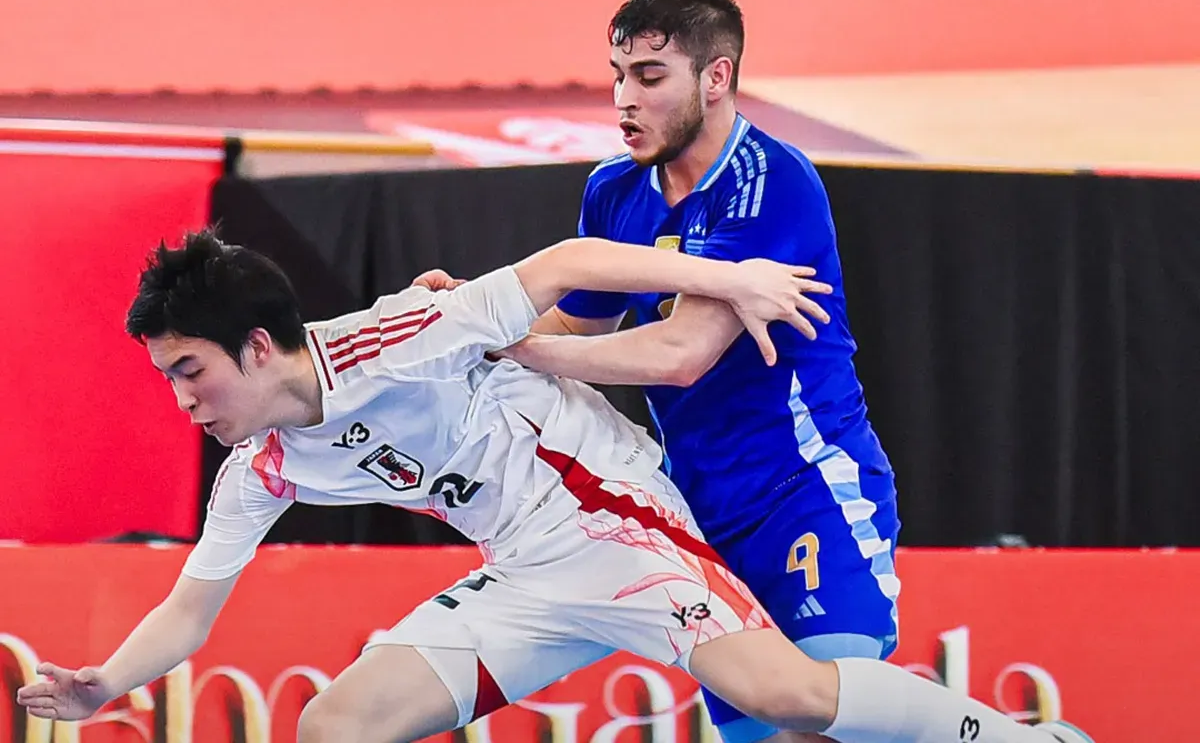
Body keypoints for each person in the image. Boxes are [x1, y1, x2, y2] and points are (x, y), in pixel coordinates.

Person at [15, 229, 1089, 743]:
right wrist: (106, 681)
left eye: (189, 371)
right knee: (333, 727)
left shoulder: (399, 335)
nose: (181, 401)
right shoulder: (264, 464)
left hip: (613, 519)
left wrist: (729, 279)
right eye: (167, 380)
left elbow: (567, 261)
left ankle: (1030, 739)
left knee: (789, 698)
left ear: (256, 345)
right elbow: (189, 607)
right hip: (521, 569)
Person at [416, 0, 1091, 743]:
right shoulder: (614, 191)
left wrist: (512, 344)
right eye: (616, 74)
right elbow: (578, 318)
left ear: (716, 77)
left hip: (805, 489)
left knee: (819, 718)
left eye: (649, 76)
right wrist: (472, 316)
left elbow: (681, 354)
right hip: (697, 509)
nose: (623, 99)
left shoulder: (769, 182)